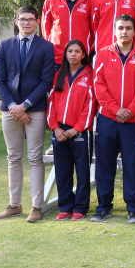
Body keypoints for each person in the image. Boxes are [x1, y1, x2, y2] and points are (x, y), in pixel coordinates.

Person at [0, 5, 55, 222]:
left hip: (35, 109)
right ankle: (14, 205)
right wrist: (13, 107)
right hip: (10, 109)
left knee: (35, 158)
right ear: (16, 21)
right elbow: (0, 81)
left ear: (37, 21)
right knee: (13, 157)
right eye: (22, 19)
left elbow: (46, 81)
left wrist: (25, 105)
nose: (26, 22)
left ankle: (36, 206)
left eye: (30, 19)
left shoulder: (46, 47)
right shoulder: (4, 46)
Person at [91, 14, 135, 224]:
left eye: (128, 28)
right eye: (120, 28)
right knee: (105, 165)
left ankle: (134, 208)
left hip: (133, 120)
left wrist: (132, 110)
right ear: (115, 31)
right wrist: (116, 109)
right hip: (108, 119)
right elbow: (98, 85)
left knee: (131, 165)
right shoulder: (102, 54)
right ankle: (104, 207)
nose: (124, 31)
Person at [46, 40, 94, 221]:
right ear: (65, 54)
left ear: (83, 54)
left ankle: (81, 207)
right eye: (70, 51)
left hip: (80, 132)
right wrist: (55, 127)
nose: (73, 54)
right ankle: (65, 206)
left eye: (77, 51)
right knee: (63, 171)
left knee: (82, 172)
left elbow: (90, 105)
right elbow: (51, 103)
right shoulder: (59, 75)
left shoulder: (90, 74)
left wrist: (77, 128)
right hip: (59, 131)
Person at [42, 0, 94, 67]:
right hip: (57, 57)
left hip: (81, 57)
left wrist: (86, 48)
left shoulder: (90, 2)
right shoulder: (51, 1)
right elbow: (45, 28)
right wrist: (52, 46)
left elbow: (94, 30)